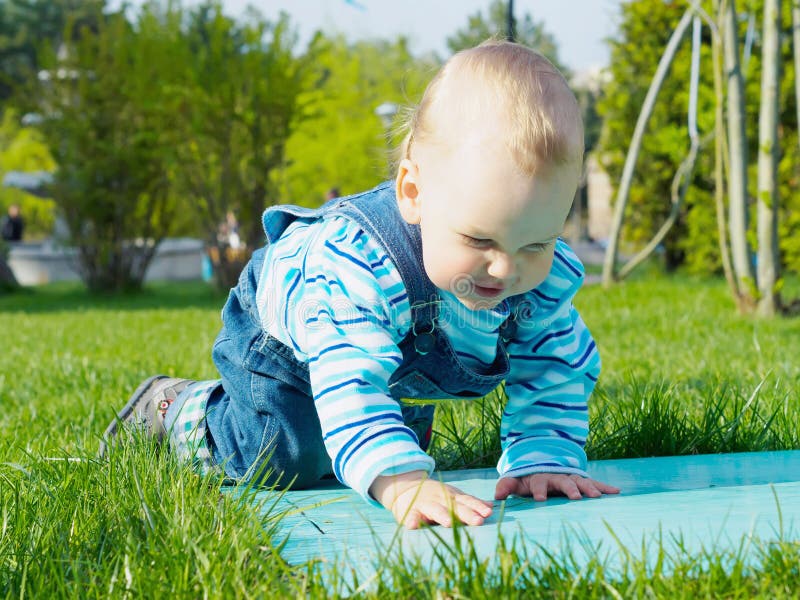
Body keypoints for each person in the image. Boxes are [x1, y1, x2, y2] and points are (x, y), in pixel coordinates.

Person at [102, 40, 620, 529]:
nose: (506, 270)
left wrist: (545, 457)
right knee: (282, 454)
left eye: (537, 244)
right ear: (413, 193)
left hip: (387, 350)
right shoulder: (362, 267)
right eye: (479, 239)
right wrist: (401, 482)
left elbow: (554, 366)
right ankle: (175, 408)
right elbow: (350, 373)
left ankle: (387, 433)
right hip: (291, 336)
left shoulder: (535, 281)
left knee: (375, 441)